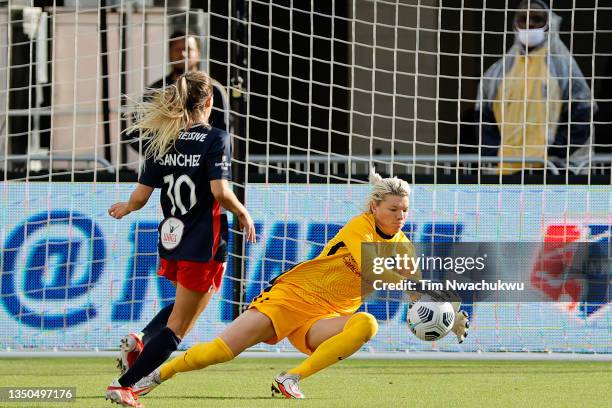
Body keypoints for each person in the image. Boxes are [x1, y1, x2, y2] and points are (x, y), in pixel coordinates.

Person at [128, 171, 470, 401]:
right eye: (393, 208)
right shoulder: (359, 227)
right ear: (375, 206)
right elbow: (373, 269)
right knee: (220, 352)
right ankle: (158, 374)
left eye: (405, 211)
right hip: (291, 298)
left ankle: (290, 377)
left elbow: (414, 289)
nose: (400, 216)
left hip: (323, 320)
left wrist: (444, 313)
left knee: (367, 323)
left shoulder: (403, 245)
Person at [105, 71, 256, 408]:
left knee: (188, 304)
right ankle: (123, 384)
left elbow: (141, 196)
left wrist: (127, 207)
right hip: (202, 241)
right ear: (209, 102)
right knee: (179, 328)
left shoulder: (163, 138)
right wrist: (242, 213)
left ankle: (141, 338)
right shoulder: (217, 137)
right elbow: (220, 191)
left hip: (172, 238)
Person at [476, 0, 596, 174]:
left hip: (553, 170)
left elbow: (583, 113)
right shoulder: (497, 72)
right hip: (507, 171)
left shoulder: (563, 68)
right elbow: (483, 117)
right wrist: (495, 153)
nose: (529, 24)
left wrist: (555, 151)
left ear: (549, 24)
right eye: (522, 19)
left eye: (537, 19)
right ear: (514, 25)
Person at [125, 30, 230, 156]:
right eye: (177, 49)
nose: (183, 54)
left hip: (203, 165)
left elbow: (224, 131)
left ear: (198, 52)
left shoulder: (214, 90)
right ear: (169, 53)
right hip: (166, 167)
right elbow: (135, 132)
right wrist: (162, 155)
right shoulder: (156, 89)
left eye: (188, 49)